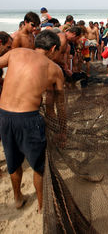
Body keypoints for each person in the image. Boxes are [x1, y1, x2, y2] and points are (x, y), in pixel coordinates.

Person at [0, 30, 64, 213]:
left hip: (4, 116)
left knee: (13, 163)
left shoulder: (15, 53)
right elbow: (59, 106)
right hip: (28, 119)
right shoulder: (54, 69)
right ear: (52, 48)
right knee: (38, 166)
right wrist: (62, 130)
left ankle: (18, 198)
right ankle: (42, 206)